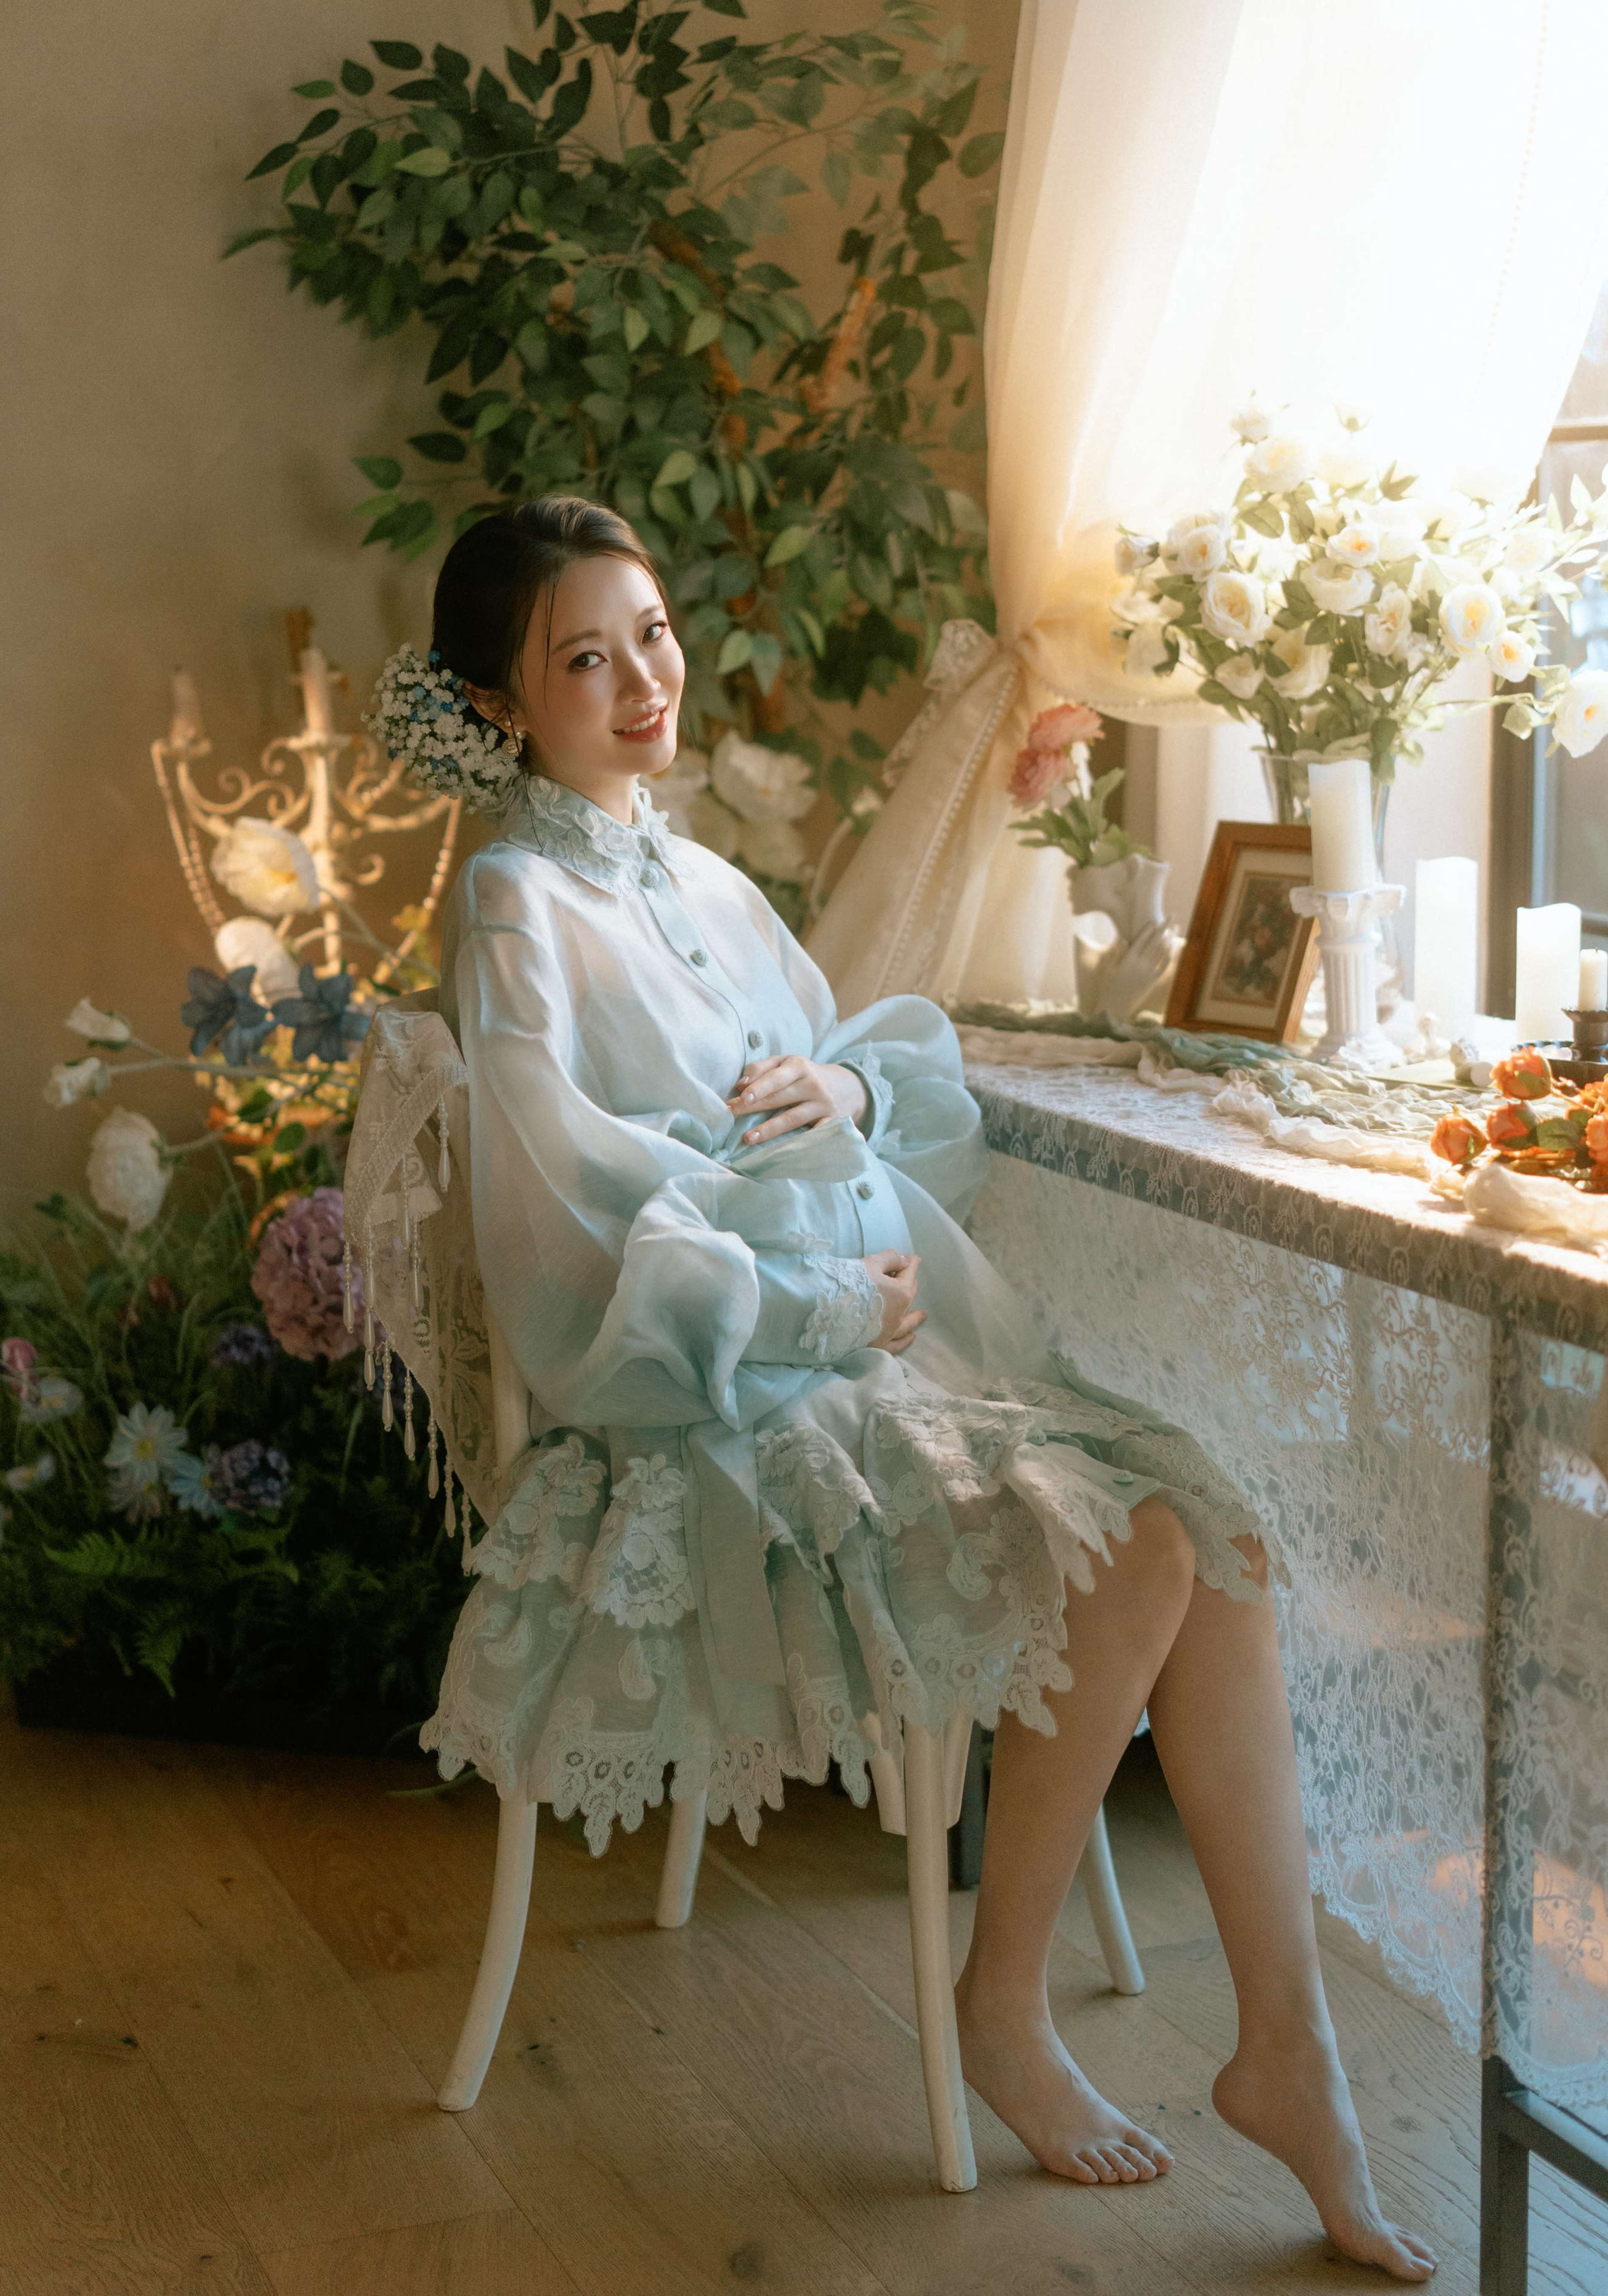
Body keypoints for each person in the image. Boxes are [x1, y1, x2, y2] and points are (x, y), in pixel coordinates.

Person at [375, 495, 1435, 2281]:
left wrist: (853, 1101)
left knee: (1211, 1522)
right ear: (499, 704)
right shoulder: (514, 904)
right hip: (714, 1388)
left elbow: (852, 1059)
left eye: (649, 630)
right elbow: (561, 1236)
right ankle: (1010, 2004)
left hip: (888, 1320)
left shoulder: (696, 875)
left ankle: (1285, 2048)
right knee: (1149, 1536)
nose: (643, 679)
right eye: (584, 656)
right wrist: (810, 1304)